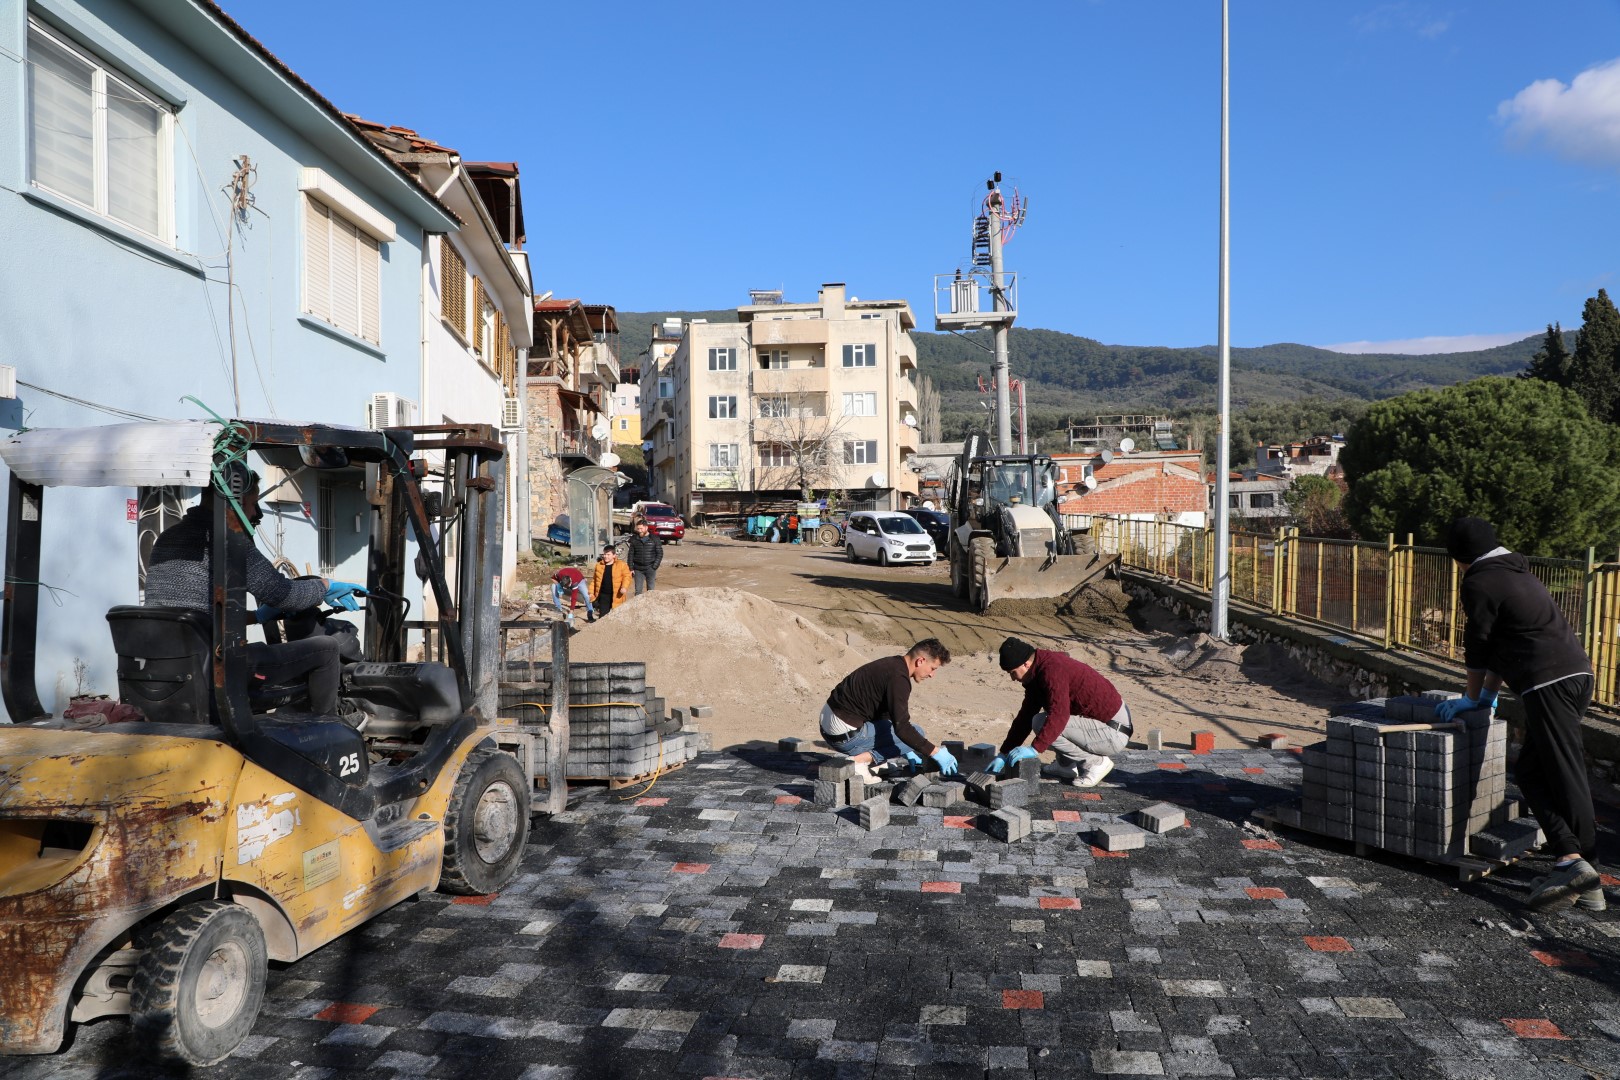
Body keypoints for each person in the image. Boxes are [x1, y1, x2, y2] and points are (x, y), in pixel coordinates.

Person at [1436, 516, 1602, 911]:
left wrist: (1472, 697)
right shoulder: (1514, 573)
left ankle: (1588, 871)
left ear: (1461, 557)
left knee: (1565, 772)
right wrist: (1487, 696)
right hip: (1574, 676)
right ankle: (1570, 858)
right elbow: (1501, 646)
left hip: (1549, 681)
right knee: (1531, 771)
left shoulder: (1478, 581)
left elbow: (1477, 646)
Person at [143, 467, 363, 717]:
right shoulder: (228, 541)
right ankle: (329, 728)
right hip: (217, 665)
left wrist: (258, 617)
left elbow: (199, 611)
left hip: (170, 662)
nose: (255, 513)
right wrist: (326, 585)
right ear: (236, 501)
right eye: (253, 503)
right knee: (326, 648)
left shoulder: (167, 538)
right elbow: (282, 594)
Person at [988, 636, 1131, 787]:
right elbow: (1025, 716)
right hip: (1101, 726)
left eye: (1012, 672)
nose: (1012, 678)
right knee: (1039, 719)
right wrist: (1004, 753)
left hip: (1114, 732)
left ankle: (1096, 764)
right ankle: (1065, 766)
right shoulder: (1037, 673)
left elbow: (1060, 714)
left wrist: (1035, 749)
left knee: (1044, 722)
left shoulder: (1052, 670)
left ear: (1026, 664)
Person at [819, 638, 955, 781]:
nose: (932, 675)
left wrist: (903, 749)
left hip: (829, 729)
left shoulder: (892, 664)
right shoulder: (899, 679)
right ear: (920, 661)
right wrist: (935, 752)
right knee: (917, 732)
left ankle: (875, 763)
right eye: (933, 668)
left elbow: (884, 715)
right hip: (845, 737)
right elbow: (902, 728)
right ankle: (859, 762)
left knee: (905, 737)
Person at [589, 544, 632, 618]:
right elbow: (594, 580)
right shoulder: (599, 566)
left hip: (617, 595)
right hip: (603, 595)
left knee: (618, 616)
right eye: (604, 554)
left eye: (608, 554)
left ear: (614, 555)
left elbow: (627, 577)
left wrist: (624, 587)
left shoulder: (621, 565)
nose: (605, 556)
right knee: (603, 617)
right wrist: (591, 592)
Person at [626, 519, 663, 595]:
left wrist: (654, 566)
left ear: (646, 528)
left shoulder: (654, 539)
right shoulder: (634, 539)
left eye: (641, 528)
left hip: (650, 568)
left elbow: (659, 553)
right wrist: (631, 568)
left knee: (651, 591)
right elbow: (630, 554)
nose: (639, 531)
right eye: (638, 529)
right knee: (638, 591)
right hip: (638, 569)